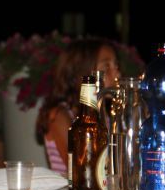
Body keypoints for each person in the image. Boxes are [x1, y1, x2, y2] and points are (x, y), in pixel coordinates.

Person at [36, 37, 121, 174]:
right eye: (106, 67)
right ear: (82, 74)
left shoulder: (106, 114)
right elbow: (80, 168)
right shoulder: (59, 115)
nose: (117, 74)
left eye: (116, 66)